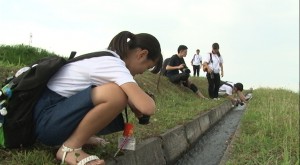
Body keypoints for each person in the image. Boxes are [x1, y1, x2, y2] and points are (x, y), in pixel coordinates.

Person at [33, 31, 163, 165]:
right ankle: (69, 149)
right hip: (46, 122)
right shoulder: (113, 64)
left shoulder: (108, 57)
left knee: (118, 92)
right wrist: (144, 102)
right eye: (147, 67)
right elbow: (147, 107)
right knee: (116, 95)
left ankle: (82, 138)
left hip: (50, 116)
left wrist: (133, 104)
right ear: (141, 54)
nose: (142, 72)